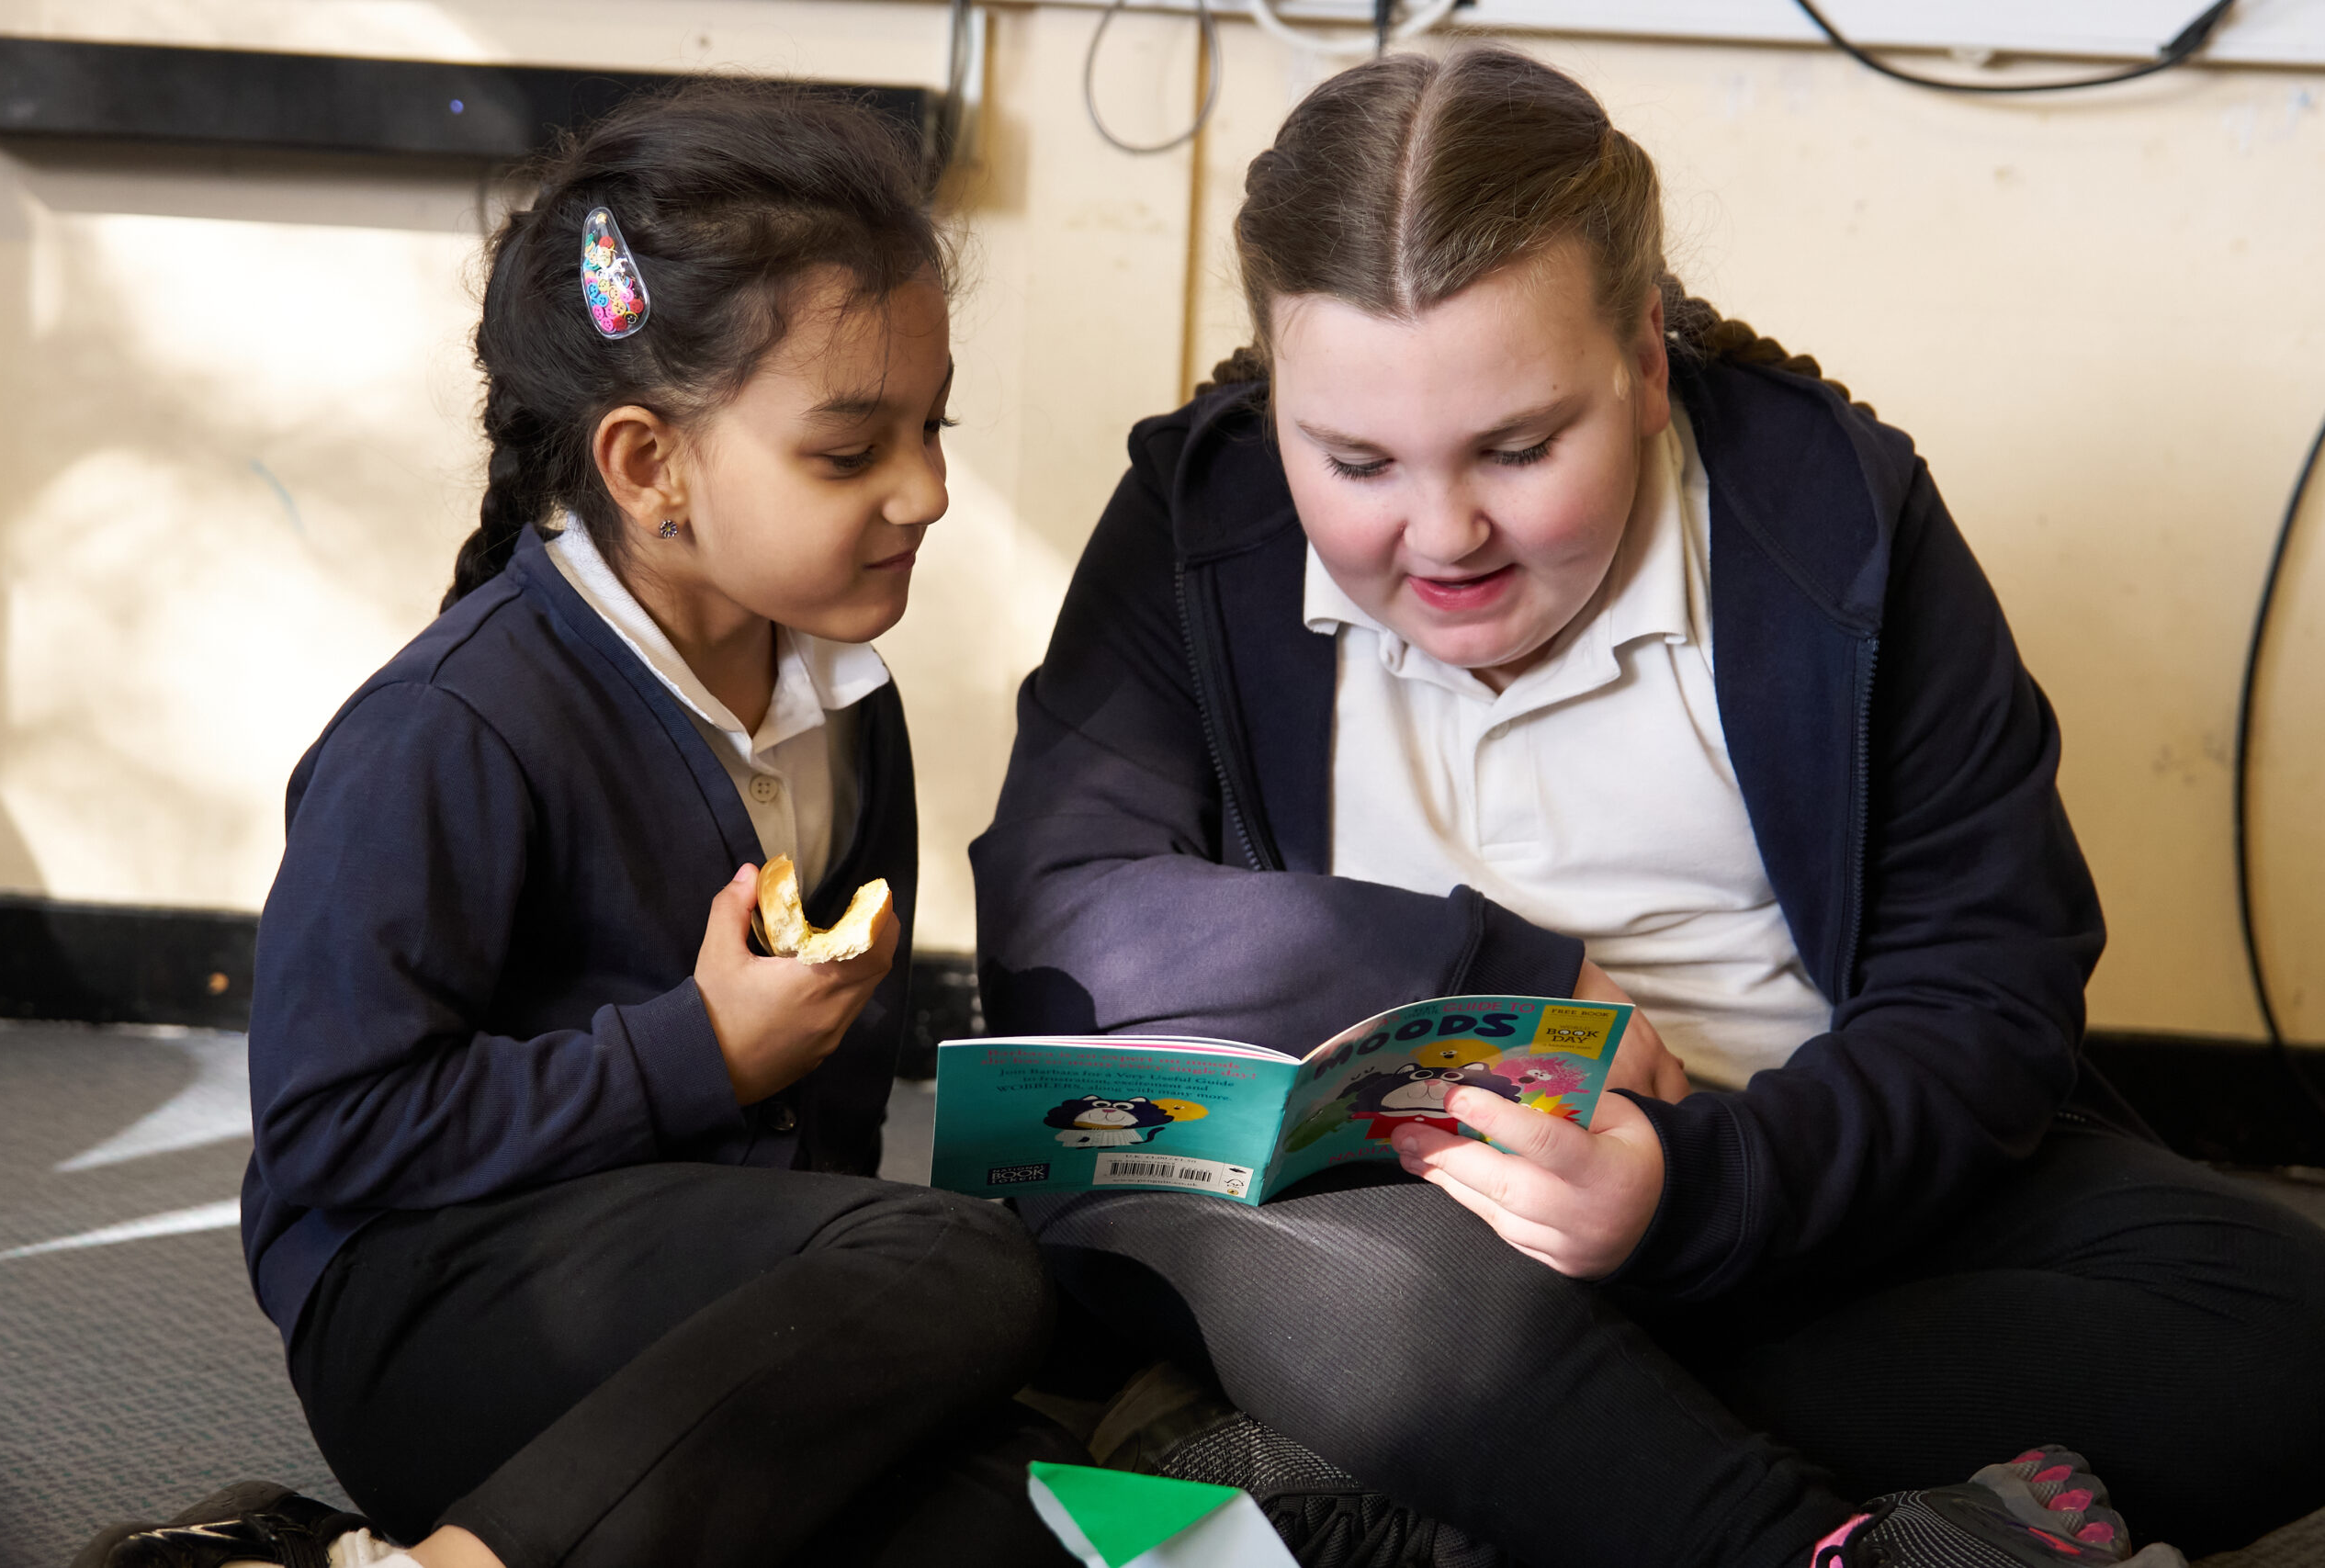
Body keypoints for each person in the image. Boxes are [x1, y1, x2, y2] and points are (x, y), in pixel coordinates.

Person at [970, 47, 2325, 1568]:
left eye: (1522, 447)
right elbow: (1064, 915)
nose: (1443, 534)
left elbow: (1989, 996)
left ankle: (1399, 1485)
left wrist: (1691, 1191)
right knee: (1329, 1275)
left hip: (1783, 1194)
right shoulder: (1196, 518)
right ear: (1282, 403)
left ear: (1646, 365)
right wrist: (1526, 987)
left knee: (2284, 1318)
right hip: (1388, 1235)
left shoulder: (1834, 518)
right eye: (1354, 460)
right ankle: (1796, 1545)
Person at [83, 83, 1078, 1568]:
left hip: (713, 1329)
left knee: (1043, 1500)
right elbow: (333, 1134)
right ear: (646, 465)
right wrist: (705, 1053)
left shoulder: (854, 712)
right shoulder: (452, 727)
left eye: (932, 428)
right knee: (955, 1266)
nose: (927, 490)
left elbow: (838, 1134)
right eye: (851, 449)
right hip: (432, 1307)